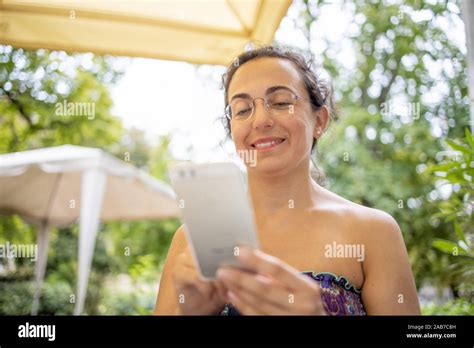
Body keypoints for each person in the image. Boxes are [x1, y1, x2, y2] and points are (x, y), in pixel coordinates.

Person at [154, 46, 421, 315]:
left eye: (281, 102)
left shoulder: (374, 232)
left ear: (320, 120)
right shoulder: (193, 240)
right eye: (243, 109)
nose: (260, 120)